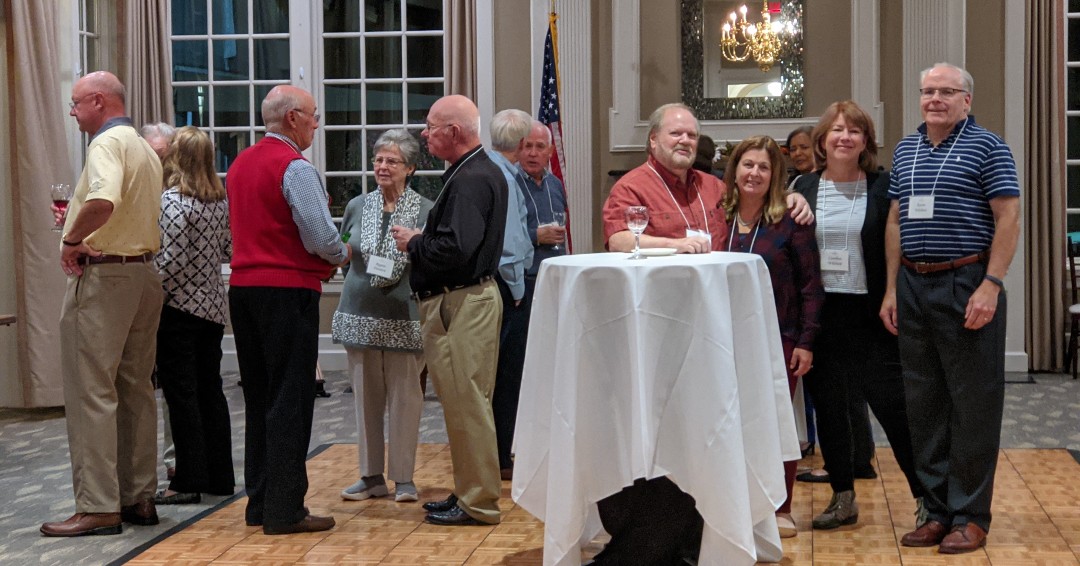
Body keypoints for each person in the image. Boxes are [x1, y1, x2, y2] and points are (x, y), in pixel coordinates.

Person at [880, 62, 1021, 554]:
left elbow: (1008, 218)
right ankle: (936, 511)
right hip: (914, 285)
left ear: (967, 100)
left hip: (967, 282)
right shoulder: (906, 149)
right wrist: (892, 289)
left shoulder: (988, 146)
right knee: (925, 404)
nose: (935, 98)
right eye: (927, 91)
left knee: (973, 403)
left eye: (946, 91)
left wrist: (992, 285)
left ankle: (970, 514)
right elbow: (896, 221)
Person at [41, 71, 163, 536]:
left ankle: (97, 505)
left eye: (75, 104)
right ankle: (139, 497)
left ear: (98, 101)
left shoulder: (106, 145)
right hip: (142, 274)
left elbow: (104, 201)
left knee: (92, 390)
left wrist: (72, 238)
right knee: (135, 389)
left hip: (106, 276)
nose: (72, 113)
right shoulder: (144, 148)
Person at [792, 101, 924, 531]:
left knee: (893, 409)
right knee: (830, 409)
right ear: (823, 140)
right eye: (837, 130)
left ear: (865, 141)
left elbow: (897, 245)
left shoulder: (885, 186)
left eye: (855, 131)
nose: (845, 137)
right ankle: (843, 498)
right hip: (821, 315)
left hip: (870, 312)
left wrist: (892, 293)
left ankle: (927, 500)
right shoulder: (803, 186)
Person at [226, 85, 350, 535]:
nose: (317, 124)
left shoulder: (240, 163)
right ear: (293, 118)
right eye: (314, 116)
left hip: (244, 290)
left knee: (259, 397)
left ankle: (259, 502)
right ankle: (285, 509)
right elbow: (319, 235)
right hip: (286, 290)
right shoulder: (294, 166)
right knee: (290, 400)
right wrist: (342, 254)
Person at [391, 94, 506, 527]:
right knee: (465, 404)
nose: (424, 133)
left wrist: (415, 242)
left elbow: (457, 248)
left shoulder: (471, 178)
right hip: (467, 298)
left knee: (467, 405)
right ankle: (470, 491)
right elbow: (463, 238)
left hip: (460, 301)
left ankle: (478, 502)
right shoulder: (474, 170)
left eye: (431, 126)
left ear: (453, 133)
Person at [722, 134, 824, 539]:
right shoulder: (717, 216)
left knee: (774, 424)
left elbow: (811, 287)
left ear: (775, 176)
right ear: (735, 171)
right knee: (729, 423)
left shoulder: (791, 222)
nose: (754, 173)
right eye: (748, 165)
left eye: (764, 167)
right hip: (720, 337)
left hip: (778, 339)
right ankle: (732, 502)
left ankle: (779, 506)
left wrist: (806, 341)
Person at [334, 129, 434, 504]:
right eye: (378, 159)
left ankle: (404, 479)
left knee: (406, 400)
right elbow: (346, 254)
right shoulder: (358, 205)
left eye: (391, 161)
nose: (382, 166)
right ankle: (371, 476)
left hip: (405, 316)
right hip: (359, 314)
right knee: (365, 401)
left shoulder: (427, 209)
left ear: (410, 168)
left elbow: (430, 258)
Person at [603, 103, 815, 255]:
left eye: (692, 135)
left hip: (717, 296)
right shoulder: (631, 187)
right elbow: (619, 240)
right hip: (664, 299)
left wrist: (791, 196)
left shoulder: (713, 185)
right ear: (654, 139)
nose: (685, 141)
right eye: (676, 133)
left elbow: (755, 197)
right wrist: (677, 245)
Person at [152, 126, 235, 506]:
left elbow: (171, 261)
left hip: (179, 308)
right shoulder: (220, 201)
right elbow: (229, 249)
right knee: (210, 391)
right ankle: (220, 475)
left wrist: (150, 285)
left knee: (181, 395)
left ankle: (186, 479)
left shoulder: (172, 201)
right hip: (214, 307)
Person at [497, 118, 569, 479]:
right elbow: (503, 232)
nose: (533, 153)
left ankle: (542, 443)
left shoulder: (556, 184)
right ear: (517, 149)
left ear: (550, 152)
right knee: (514, 370)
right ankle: (505, 451)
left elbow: (562, 233)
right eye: (527, 146)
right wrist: (534, 234)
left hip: (554, 283)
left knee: (550, 368)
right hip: (521, 286)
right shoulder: (509, 182)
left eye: (541, 147)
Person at [487, 109, 536, 482]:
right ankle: (501, 455)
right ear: (521, 144)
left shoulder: (492, 170)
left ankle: (497, 451)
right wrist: (518, 287)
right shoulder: (503, 177)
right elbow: (511, 241)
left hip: (495, 284)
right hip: (507, 287)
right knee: (506, 375)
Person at [140, 121, 179, 482]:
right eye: (153, 157)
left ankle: (173, 457)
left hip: (172, 298)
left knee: (171, 384)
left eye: (164, 157)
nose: (160, 165)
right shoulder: (136, 188)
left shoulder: (180, 196)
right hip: (137, 289)